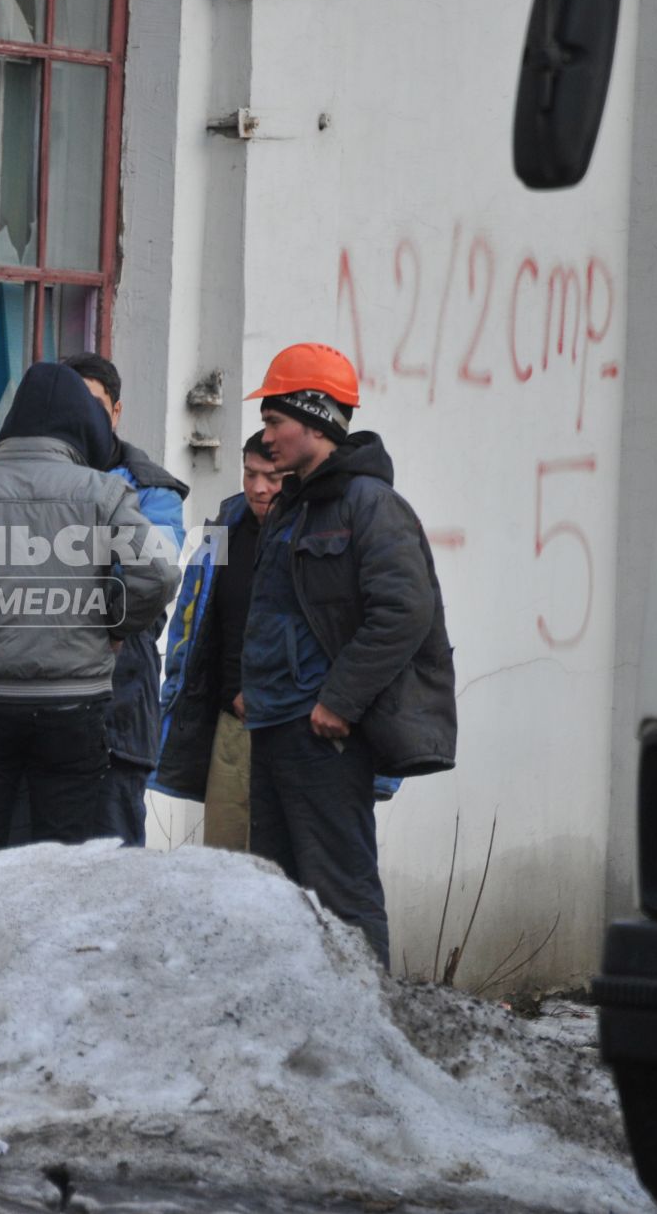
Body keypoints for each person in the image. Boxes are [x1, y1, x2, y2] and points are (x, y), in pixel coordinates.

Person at [0, 362, 179, 859]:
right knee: (63, 863)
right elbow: (158, 574)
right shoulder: (104, 491)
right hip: (74, 705)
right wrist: (117, 623)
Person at [241, 342, 456, 968]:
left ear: (314, 420)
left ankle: (368, 1033)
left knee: (341, 893)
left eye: (275, 421)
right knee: (276, 895)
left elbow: (404, 611)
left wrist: (339, 700)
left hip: (322, 732)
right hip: (277, 723)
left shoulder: (369, 506)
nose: (267, 436)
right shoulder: (292, 506)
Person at [62, 353, 187, 846]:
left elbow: (152, 576)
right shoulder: (35, 478)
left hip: (119, 707)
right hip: (41, 711)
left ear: (116, 412)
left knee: (112, 874)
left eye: (96, 405)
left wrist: (109, 623)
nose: (85, 417)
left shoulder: (153, 490)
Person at [151, 432, 284, 850]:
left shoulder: (313, 534)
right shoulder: (222, 527)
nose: (259, 488)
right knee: (225, 864)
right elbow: (190, 615)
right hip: (231, 724)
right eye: (250, 474)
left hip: (289, 728)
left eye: (273, 477)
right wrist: (177, 688)